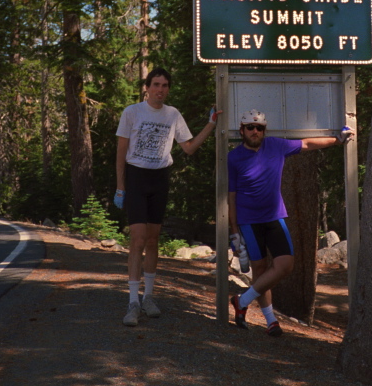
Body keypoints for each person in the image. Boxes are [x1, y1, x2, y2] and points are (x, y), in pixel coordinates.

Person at [228, 108, 354, 336]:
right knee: (259, 270)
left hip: (274, 216)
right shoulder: (234, 157)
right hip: (249, 221)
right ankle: (270, 321)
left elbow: (306, 144)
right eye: (250, 127)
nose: (255, 131)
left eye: (259, 128)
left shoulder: (276, 146)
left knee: (286, 265)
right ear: (242, 130)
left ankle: (242, 300)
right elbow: (232, 195)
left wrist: (337, 139)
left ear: (264, 130)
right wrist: (234, 230)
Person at [114, 67, 219, 327]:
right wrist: (120, 187)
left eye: (164, 85)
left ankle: (148, 298)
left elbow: (189, 148)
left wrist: (211, 123)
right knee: (137, 239)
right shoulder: (132, 112)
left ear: (168, 89)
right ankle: (133, 302)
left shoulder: (173, 114)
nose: (160, 89)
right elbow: (121, 152)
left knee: (153, 240)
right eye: (156, 84)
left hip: (160, 179)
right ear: (147, 87)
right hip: (136, 178)